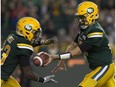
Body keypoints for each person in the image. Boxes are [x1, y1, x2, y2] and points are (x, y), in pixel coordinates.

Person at [47, 1, 115, 87]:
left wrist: (55, 57)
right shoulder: (86, 29)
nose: (79, 20)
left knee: (87, 83)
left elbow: (76, 52)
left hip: (105, 67)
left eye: (82, 17)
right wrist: (62, 60)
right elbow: (73, 45)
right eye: (79, 17)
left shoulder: (96, 32)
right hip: (99, 67)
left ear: (91, 16)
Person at [1, 17, 57, 87]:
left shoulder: (12, 36)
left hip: (4, 75)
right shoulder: (25, 47)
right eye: (35, 33)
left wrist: (43, 42)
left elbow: (22, 45)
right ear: (28, 30)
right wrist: (43, 80)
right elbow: (27, 72)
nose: (36, 35)